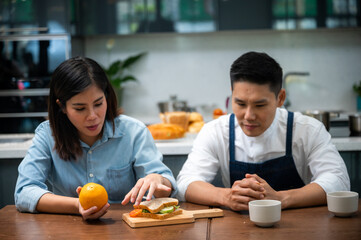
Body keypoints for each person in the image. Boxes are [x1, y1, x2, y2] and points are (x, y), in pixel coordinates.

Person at [176, 51, 350, 211]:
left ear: (280, 98)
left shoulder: (307, 130)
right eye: (241, 104)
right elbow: (185, 183)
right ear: (232, 94)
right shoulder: (215, 131)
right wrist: (226, 196)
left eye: (260, 105)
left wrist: (282, 198)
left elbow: (338, 181)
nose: (249, 116)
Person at [15, 57, 177, 220]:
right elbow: (24, 192)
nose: (92, 116)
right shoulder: (47, 135)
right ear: (62, 107)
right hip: (67, 230)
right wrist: (76, 205)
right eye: (80, 108)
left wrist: (158, 179)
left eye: (98, 104)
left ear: (106, 97)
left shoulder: (134, 132)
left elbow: (167, 185)